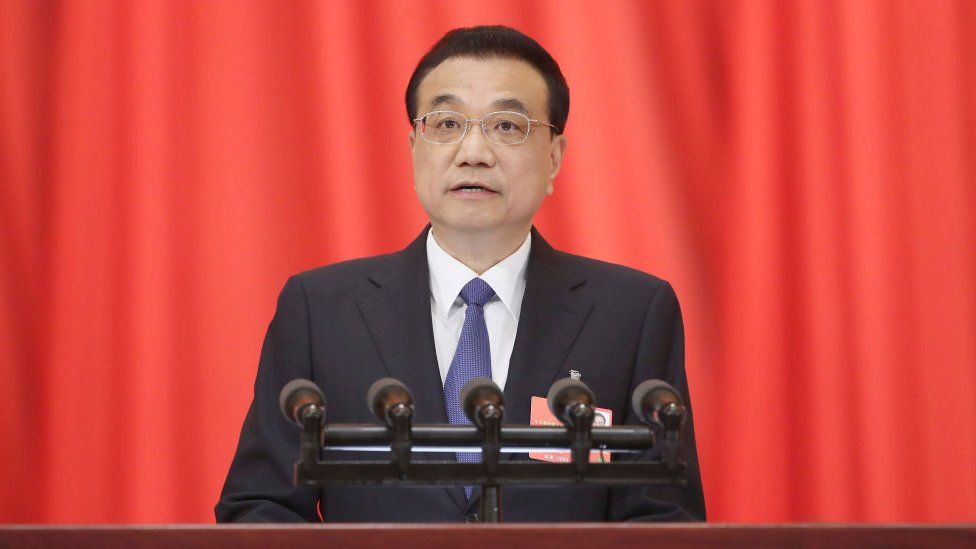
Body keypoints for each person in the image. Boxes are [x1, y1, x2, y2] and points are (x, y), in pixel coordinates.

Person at [216, 25, 705, 523]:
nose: (474, 152)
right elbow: (260, 507)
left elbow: (663, 517)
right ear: (413, 146)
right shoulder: (320, 310)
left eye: (507, 127)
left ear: (554, 158)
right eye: (447, 124)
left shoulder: (632, 312)